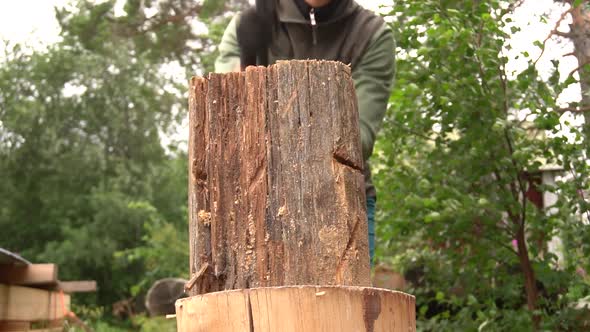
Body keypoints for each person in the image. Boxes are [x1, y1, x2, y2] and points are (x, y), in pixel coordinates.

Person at [214, 0, 395, 265]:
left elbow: (358, 138)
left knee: (340, 307)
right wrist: (244, 68)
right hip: (253, 202)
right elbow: (228, 113)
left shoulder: (371, 33)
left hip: (340, 202)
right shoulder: (248, 24)